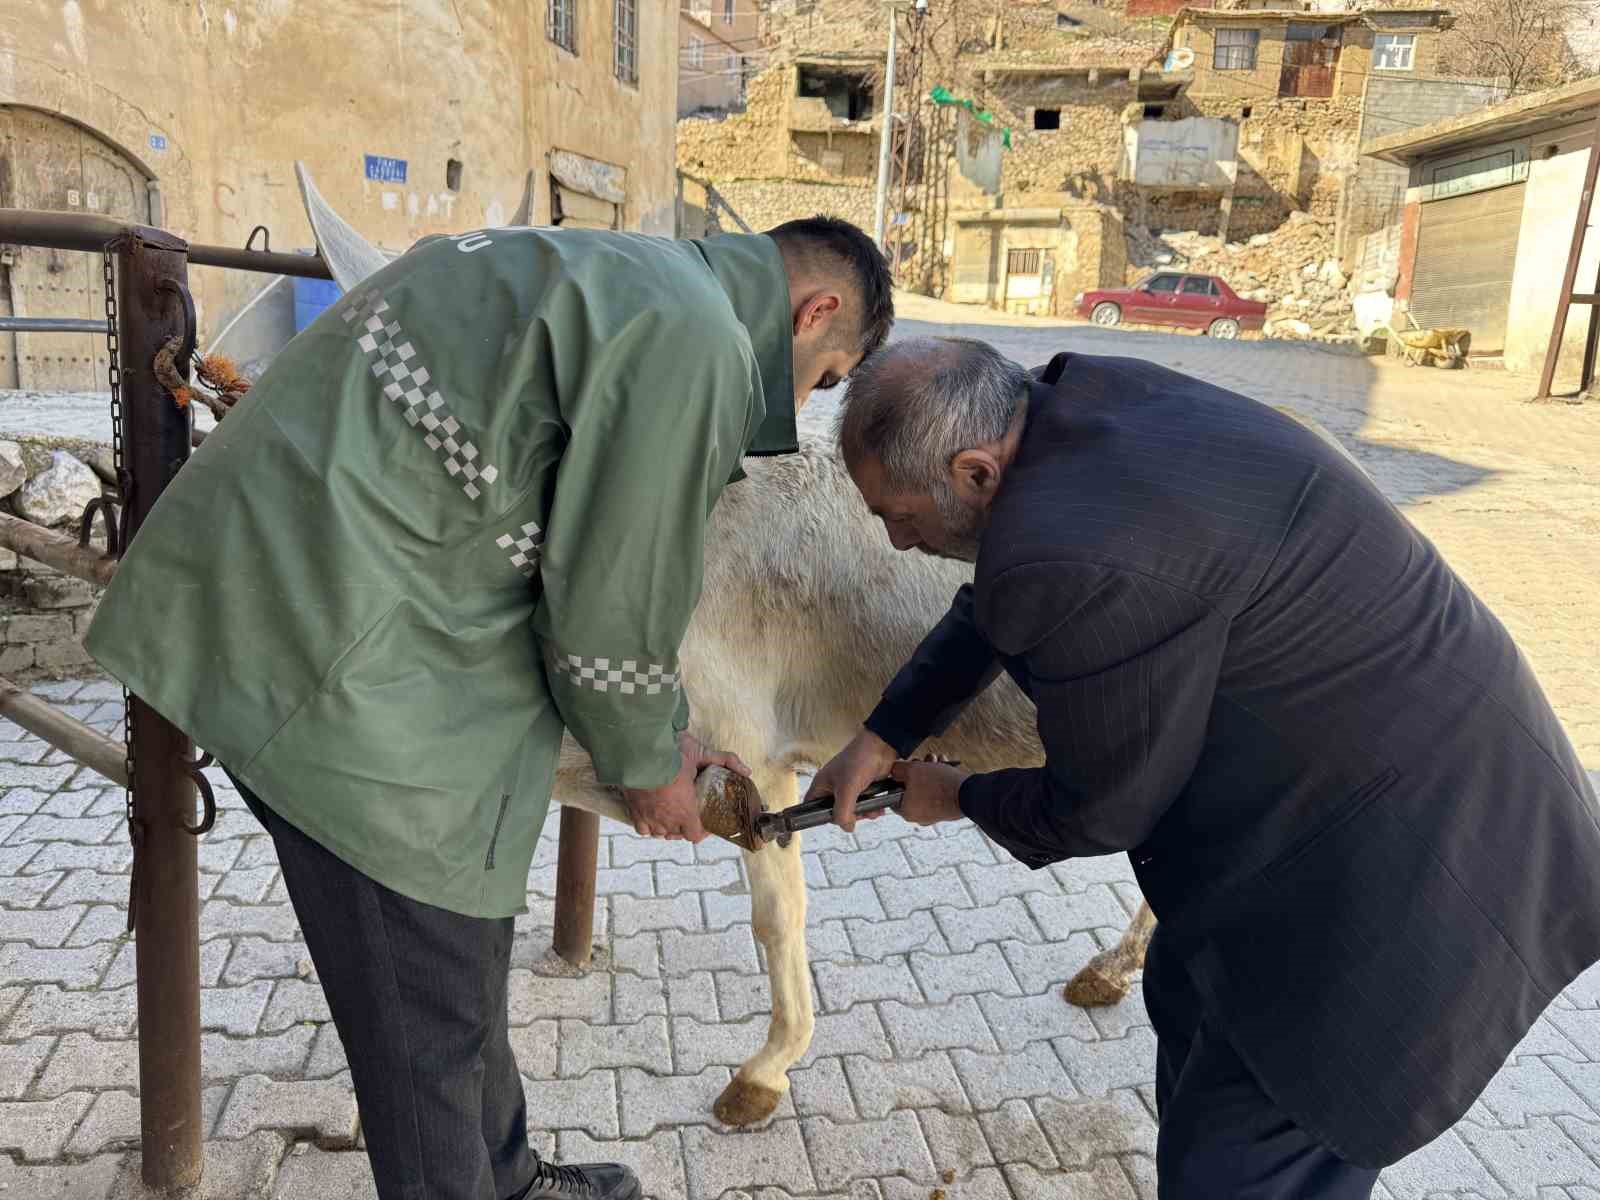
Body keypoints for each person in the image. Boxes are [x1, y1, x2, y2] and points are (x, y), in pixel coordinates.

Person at [86, 217, 893, 1200]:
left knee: (460, 949)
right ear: (813, 313)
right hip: (329, 653)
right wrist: (651, 770)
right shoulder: (700, 338)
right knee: (427, 1015)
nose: (797, 404)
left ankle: (506, 1179)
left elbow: (580, 550)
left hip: (324, 590)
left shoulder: (609, 270)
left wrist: (665, 732)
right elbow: (608, 609)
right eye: (821, 377)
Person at [809, 336, 1600, 1199]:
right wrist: (882, 735)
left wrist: (956, 795)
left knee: (1240, 1166)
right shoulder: (1064, 407)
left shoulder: (1068, 546)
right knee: (1187, 1004)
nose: (897, 542)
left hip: (1415, 871)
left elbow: (1099, 809)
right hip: (1343, 797)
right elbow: (998, 598)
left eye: (900, 517)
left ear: (974, 473)